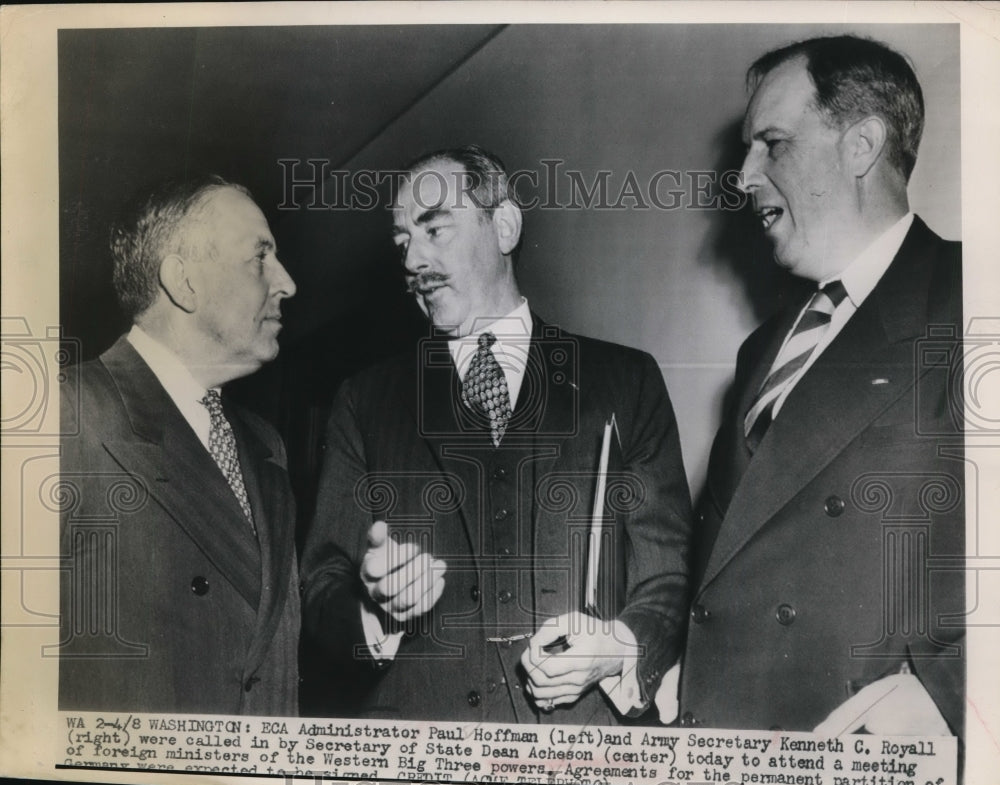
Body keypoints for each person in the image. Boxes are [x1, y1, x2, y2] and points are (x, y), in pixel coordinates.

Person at [300, 145, 692, 724]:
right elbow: (321, 582)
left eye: (435, 228)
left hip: (581, 754)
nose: (413, 260)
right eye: (403, 241)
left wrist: (618, 649)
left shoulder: (625, 381)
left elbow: (668, 574)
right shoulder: (364, 400)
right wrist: (377, 611)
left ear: (503, 225)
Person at [678, 36, 964, 739]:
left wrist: (950, 699)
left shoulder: (974, 296)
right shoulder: (762, 351)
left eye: (770, 143)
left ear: (861, 144)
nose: (742, 177)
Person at [58, 175, 301, 715]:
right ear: (184, 283)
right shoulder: (63, 413)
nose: (286, 283)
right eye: (260, 259)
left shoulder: (266, 446)